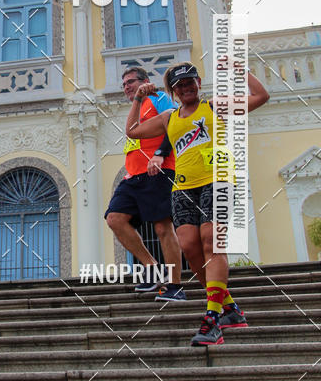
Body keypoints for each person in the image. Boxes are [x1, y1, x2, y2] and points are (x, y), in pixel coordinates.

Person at [125, 62, 269, 346]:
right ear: (174, 91)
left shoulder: (214, 107)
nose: (186, 87)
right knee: (190, 248)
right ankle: (230, 309)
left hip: (218, 180)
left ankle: (212, 318)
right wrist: (140, 98)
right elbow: (132, 131)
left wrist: (240, 72)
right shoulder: (169, 117)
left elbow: (261, 97)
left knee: (211, 242)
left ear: (199, 83)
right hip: (183, 187)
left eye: (190, 82)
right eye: (180, 85)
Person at [105, 66, 185, 300]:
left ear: (145, 82)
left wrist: (161, 153)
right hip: (134, 176)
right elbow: (132, 136)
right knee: (115, 219)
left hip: (160, 169)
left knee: (162, 227)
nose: (126, 86)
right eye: (124, 84)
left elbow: (174, 125)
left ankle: (175, 286)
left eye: (131, 81)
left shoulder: (159, 98)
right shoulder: (137, 106)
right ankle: (151, 266)